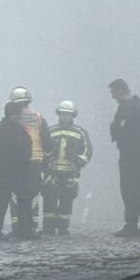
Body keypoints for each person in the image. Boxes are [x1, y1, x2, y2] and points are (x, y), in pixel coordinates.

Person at [42, 101, 92, 235]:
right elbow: (42, 149)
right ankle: (48, 227)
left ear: (73, 116)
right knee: (49, 199)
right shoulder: (50, 131)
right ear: (58, 114)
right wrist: (46, 159)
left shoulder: (80, 132)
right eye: (62, 114)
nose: (64, 117)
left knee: (66, 200)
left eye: (67, 114)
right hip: (51, 172)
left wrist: (77, 161)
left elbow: (87, 152)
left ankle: (63, 227)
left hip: (70, 173)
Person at [109, 79, 140, 237]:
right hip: (133, 153)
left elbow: (135, 132)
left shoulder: (133, 107)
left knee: (131, 189)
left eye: (113, 92)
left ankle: (133, 223)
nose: (113, 96)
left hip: (133, 154)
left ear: (121, 90)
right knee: (133, 188)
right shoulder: (135, 106)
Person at [0, 102, 35, 241]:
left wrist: (26, 167)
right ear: (8, 114)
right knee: (1, 201)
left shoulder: (21, 131)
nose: (16, 116)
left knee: (24, 201)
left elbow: (27, 149)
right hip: (3, 173)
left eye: (18, 114)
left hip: (20, 173)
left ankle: (25, 230)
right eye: (14, 114)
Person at [8, 86, 51, 233]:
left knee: (14, 194)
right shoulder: (39, 117)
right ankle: (32, 225)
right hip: (35, 161)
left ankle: (16, 225)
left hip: (15, 163)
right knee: (33, 194)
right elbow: (47, 140)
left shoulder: (12, 118)